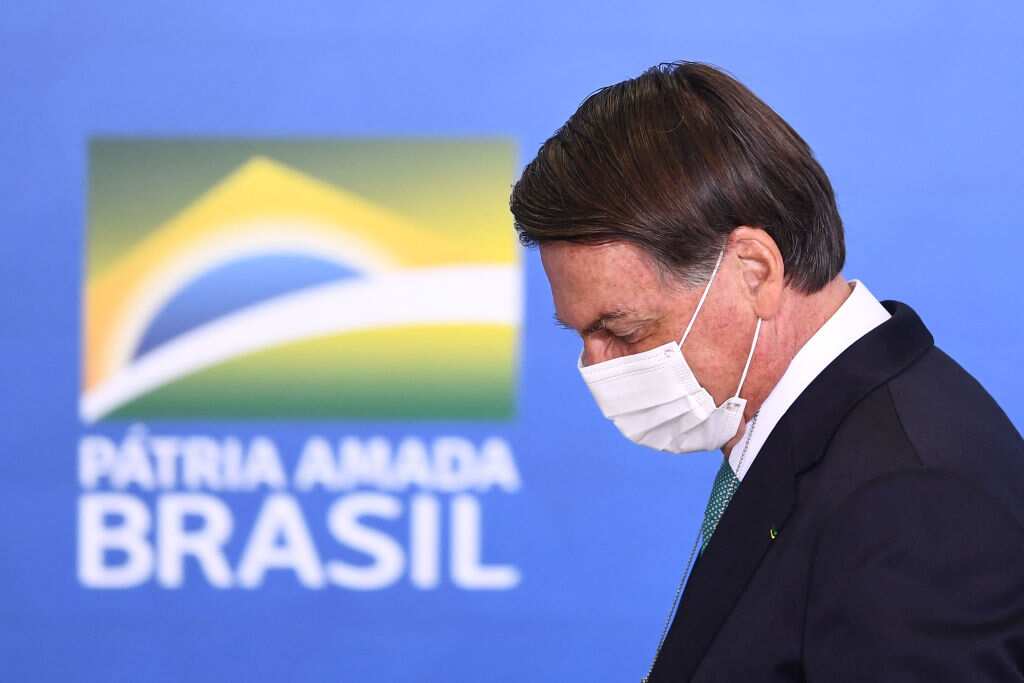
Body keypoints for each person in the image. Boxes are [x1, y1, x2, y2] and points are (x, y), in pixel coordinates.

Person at [510, 61, 1024, 682]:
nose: (596, 366)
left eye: (623, 330)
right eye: (581, 335)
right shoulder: (811, 434)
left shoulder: (909, 494)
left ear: (754, 271)